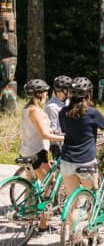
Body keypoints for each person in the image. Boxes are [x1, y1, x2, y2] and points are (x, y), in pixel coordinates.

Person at [20, 79, 65, 232]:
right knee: (50, 186)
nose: (47, 94)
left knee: (32, 186)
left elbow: (39, 130)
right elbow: (44, 135)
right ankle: (43, 224)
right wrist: (66, 138)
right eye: (45, 92)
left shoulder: (29, 109)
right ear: (39, 94)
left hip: (28, 150)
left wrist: (55, 132)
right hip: (37, 152)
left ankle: (30, 215)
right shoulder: (34, 110)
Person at [45, 75, 72, 160]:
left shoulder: (66, 102)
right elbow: (55, 129)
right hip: (57, 144)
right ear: (63, 90)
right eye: (69, 89)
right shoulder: (52, 107)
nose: (71, 92)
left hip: (65, 140)